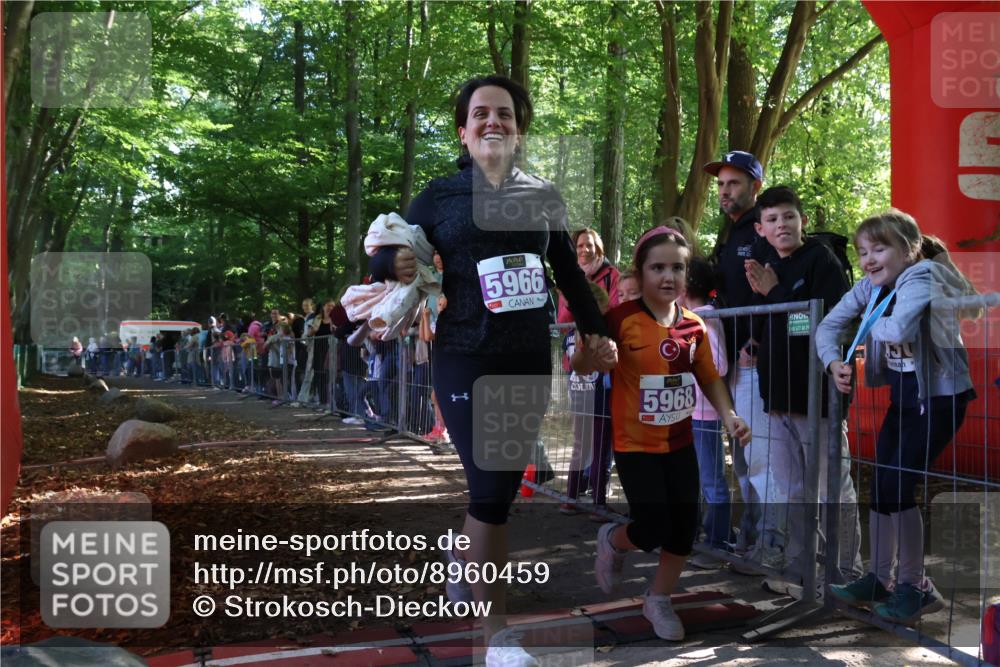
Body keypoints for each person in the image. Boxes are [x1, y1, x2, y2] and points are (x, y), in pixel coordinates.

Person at [373, 75, 616, 666]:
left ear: (518, 129)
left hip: (526, 356)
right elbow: (384, 253)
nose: (493, 122)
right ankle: (497, 638)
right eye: (480, 113)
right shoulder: (439, 196)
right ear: (463, 131)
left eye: (504, 114)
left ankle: (462, 558)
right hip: (464, 356)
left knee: (502, 490)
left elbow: (567, 272)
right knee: (488, 489)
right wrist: (394, 261)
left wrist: (598, 330)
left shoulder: (542, 196)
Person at [574, 226, 750, 641]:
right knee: (652, 527)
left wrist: (729, 415)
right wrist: (591, 355)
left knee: (684, 528)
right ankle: (613, 540)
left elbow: (709, 377)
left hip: (680, 443)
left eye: (677, 268)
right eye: (658, 268)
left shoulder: (694, 325)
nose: (668, 277)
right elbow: (582, 366)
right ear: (640, 271)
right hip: (634, 445)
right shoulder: (619, 320)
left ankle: (659, 598)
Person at [819, 209, 976, 625]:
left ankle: (915, 586)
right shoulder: (873, 286)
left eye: (879, 249)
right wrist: (833, 361)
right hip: (905, 399)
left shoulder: (922, 276)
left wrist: (864, 323)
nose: (868, 260)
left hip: (940, 399)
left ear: (909, 249)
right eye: (863, 252)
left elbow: (899, 329)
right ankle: (878, 578)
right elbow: (827, 327)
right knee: (882, 486)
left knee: (898, 484)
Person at [745, 186, 863, 591]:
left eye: (789, 216)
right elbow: (769, 323)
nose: (782, 225)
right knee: (792, 489)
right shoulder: (765, 265)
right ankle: (802, 568)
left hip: (819, 398)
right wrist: (757, 322)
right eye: (772, 219)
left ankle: (846, 573)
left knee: (833, 488)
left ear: (803, 221)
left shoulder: (821, 260)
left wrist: (775, 294)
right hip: (778, 398)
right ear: (760, 228)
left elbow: (822, 324)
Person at [704, 150, 776, 567]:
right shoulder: (729, 233)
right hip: (729, 364)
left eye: (733, 183)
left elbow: (775, 291)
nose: (724, 191)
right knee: (745, 460)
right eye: (720, 184)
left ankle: (769, 547)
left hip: (755, 366)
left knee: (759, 457)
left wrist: (756, 342)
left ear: (755, 186)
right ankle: (750, 541)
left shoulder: (765, 229)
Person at [681, 257, 732, 570]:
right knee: (696, 477)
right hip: (690, 412)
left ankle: (718, 543)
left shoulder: (705, 320)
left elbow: (719, 365)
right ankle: (699, 535)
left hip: (705, 413)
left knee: (712, 481)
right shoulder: (689, 318)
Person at [560, 282, 613, 519]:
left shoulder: (571, 335)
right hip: (598, 397)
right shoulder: (600, 334)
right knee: (599, 450)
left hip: (578, 395)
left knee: (580, 448)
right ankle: (598, 503)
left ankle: (570, 499)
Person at [556, 228, 621, 323]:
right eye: (580, 246)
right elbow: (562, 323)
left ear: (597, 248)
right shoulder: (568, 279)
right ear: (573, 249)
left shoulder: (612, 275)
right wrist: (570, 305)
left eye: (589, 245)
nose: (585, 249)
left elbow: (617, 312)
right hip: (576, 331)